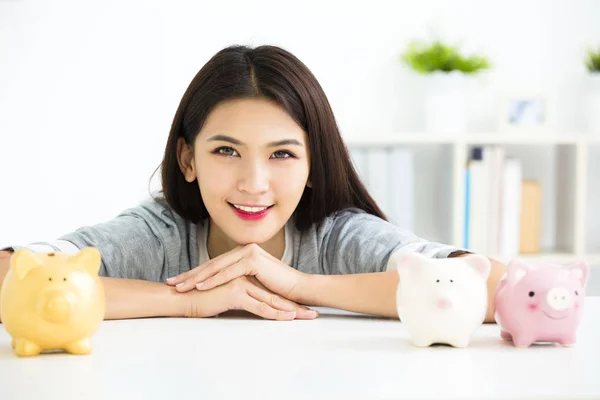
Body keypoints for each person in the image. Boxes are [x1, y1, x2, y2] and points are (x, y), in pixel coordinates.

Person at [0, 44, 507, 323]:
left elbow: (497, 289)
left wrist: (302, 285)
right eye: (226, 151)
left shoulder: (339, 237)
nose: (254, 183)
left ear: (313, 166)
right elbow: (7, 276)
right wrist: (189, 300)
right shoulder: (159, 234)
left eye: (282, 154)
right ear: (187, 159)